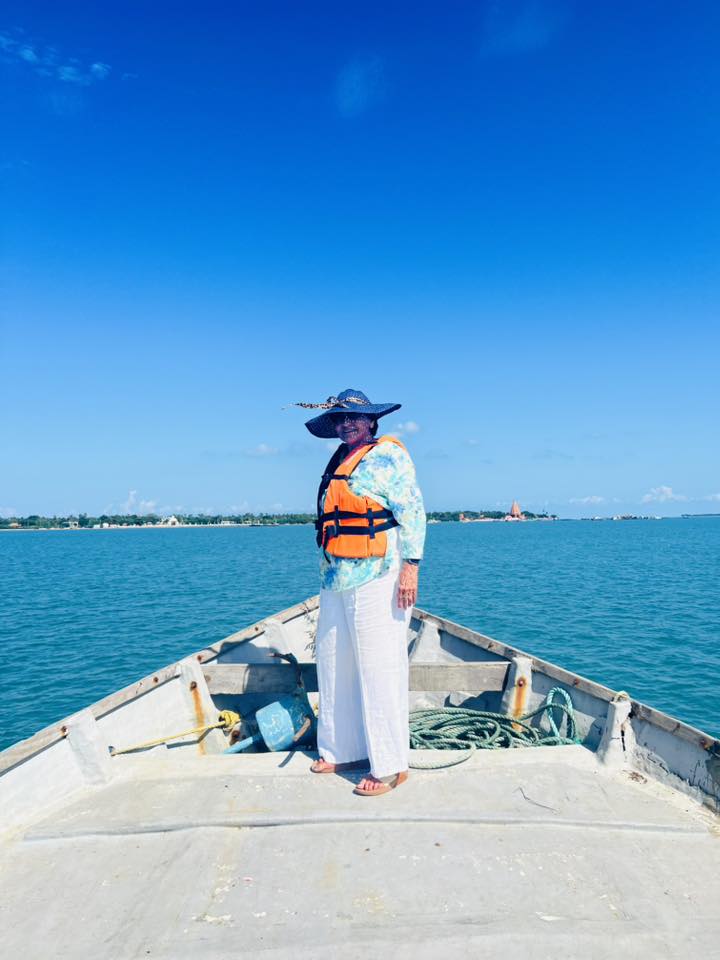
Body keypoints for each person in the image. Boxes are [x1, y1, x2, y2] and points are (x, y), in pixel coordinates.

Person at [298, 389, 426, 796]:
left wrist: (411, 568)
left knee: (379, 667)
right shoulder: (340, 458)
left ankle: (390, 765)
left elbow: (413, 512)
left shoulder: (389, 456)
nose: (346, 424)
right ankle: (344, 749)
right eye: (340, 419)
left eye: (354, 417)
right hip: (336, 577)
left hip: (379, 574)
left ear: (372, 420)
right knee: (333, 664)